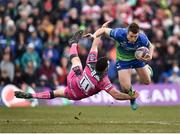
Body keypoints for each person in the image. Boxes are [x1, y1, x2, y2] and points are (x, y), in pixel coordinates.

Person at [15, 30, 139, 105]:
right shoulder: (103, 81)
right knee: (55, 93)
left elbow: (95, 44)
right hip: (75, 94)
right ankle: (32, 96)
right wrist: (130, 97)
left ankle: (73, 43)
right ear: (106, 69)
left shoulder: (91, 63)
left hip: (73, 81)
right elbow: (116, 95)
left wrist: (102, 30)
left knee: (76, 61)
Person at [90, 21, 154, 110]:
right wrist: (94, 35)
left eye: (135, 37)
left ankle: (147, 69)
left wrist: (150, 56)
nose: (133, 39)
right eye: (131, 36)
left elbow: (151, 46)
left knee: (147, 82)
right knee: (125, 88)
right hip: (123, 61)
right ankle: (133, 99)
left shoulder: (142, 38)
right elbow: (103, 30)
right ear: (127, 32)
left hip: (137, 59)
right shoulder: (119, 33)